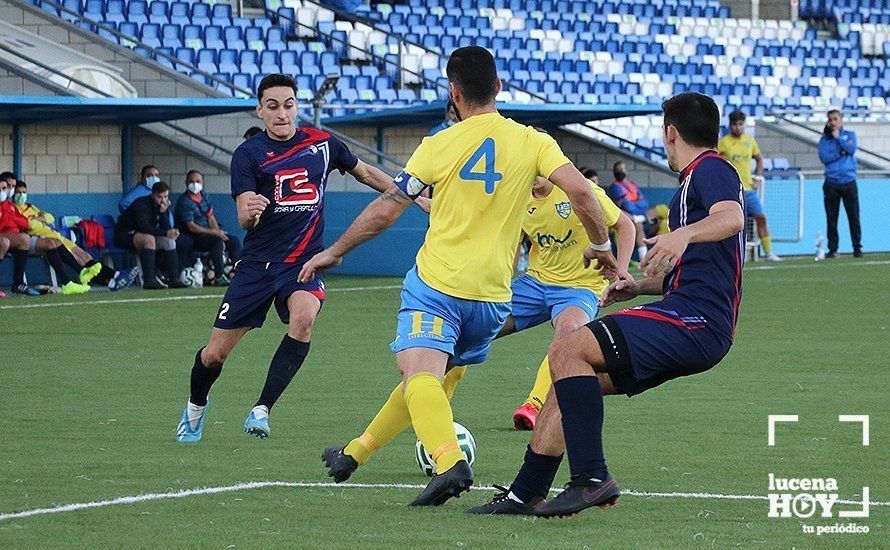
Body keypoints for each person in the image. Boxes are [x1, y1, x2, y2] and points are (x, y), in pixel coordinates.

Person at [301, 46, 617, 506]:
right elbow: (582, 192)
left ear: (453, 91)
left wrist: (335, 250)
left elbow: (389, 207)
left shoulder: (439, 144)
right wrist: (602, 247)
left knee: (418, 373)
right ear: (499, 88)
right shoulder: (533, 142)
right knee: (428, 375)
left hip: (438, 287)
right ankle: (354, 454)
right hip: (492, 299)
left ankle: (449, 464)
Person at [469, 92, 745, 517]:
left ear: (670, 133)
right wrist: (639, 286)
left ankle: (591, 478)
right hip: (691, 317)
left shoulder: (711, 169)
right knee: (570, 377)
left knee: (567, 348)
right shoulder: (694, 181)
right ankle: (526, 493)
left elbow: (732, 218)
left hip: (695, 321)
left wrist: (681, 234)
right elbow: (697, 273)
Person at [320, 172, 633, 475]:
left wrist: (620, 271)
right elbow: (514, 246)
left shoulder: (579, 191)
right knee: (444, 356)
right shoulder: (519, 197)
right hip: (535, 285)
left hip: (579, 289)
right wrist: (499, 285)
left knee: (569, 338)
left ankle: (533, 405)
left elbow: (625, 224)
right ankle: (358, 451)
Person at [174, 73, 415, 444]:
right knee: (214, 355)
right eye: (272, 106)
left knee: (303, 320)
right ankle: (195, 407)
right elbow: (242, 216)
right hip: (256, 265)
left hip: (302, 262)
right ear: (260, 110)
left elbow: (366, 173)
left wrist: (413, 195)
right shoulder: (248, 155)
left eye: (288, 105)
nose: (281, 113)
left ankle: (262, 409)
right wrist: (251, 213)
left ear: (296, 107)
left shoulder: (322, 143)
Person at [12, 180, 117, 288]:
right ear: (13, 194)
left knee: (84, 255)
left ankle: (114, 274)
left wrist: (38, 218)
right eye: (18, 192)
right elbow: (30, 226)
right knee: (77, 259)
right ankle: (106, 282)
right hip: (43, 239)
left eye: (24, 192)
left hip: (56, 235)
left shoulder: (31, 207)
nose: (21, 195)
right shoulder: (14, 210)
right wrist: (38, 220)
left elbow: (50, 217)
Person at [718, 110, 781, 261]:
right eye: (735, 125)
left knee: (761, 218)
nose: (737, 128)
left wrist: (758, 177)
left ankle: (768, 252)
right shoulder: (723, 143)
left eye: (740, 124)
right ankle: (732, 255)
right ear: (730, 125)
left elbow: (759, 158)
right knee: (734, 224)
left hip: (749, 190)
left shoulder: (749, 141)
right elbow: (716, 161)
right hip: (731, 191)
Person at [114, 181, 187, 290]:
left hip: (142, 234)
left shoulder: (162, 206)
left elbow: (165, 228)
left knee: (169, 241)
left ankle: (173, 279)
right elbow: (144, 228)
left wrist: (163, 213)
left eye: (165, 197)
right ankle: (149, 281)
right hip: (124, 234)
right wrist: (167, 233)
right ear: (153, 194)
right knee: (149, 239)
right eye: (159, 197)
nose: (163, 200)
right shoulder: (141, 204)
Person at [174, 170, 242, 286]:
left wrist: (218, 231)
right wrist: (214, 233)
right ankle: (219, 277)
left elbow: (210, 217)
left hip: (207, 233)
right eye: (192, 181)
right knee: (216, 240)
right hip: (193, 237)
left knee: (233, 240)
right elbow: (192, 227)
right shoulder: (184, 201)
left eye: (198, 181)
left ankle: (241, 274)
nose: (195, 184)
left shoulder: (204, 196)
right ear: (186, 182)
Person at [818, 109, 861, 258]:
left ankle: (857, 247)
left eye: (835, 119)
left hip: (849, 181)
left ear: (841, 120)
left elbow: (851, 148)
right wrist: (840, 153)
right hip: (831, 183)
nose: (833, 122)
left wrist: (839, 139)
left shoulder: (849, 135)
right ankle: (833, 248)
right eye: (830, 119)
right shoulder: (824, 140)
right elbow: (825, 157)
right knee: (832, 217)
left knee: (853, 216)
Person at [0, 175, 38, 296]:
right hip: (4, 237)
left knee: (24, 239)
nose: (4, 191)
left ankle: (18, 284)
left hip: (8, 236)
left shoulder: (9, 205)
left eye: (5, 188)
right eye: (1, 188)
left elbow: (24, 223)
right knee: (4, 242)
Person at [606, 161, 649, 262]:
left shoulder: (632, 184)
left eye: (622, 169)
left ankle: (652, 257)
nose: (620, 172)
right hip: (624, 216)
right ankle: (644, 258)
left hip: (639, 215)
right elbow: (627, 206)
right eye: (617, 170)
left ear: (626, 171)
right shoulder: (615, 187)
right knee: (639, 224)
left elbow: (645, 202)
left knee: (660, 212)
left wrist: (635, 204)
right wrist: (637, 203)